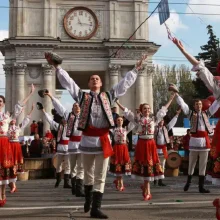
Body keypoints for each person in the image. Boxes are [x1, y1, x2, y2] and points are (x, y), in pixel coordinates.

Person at [45, 51, 147, 219]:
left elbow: (124, 84)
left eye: (97, 79)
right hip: (86, 140)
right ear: (88, 83)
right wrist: (57, 67)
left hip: (103, 140)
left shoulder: (109, 95)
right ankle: (88, 198)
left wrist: (136, 69)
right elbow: (68, 83)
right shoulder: (82, 96)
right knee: (88, 173)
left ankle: (95, 208)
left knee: (101, 174)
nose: (95, 80)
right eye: (92, 79)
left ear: (101, 83)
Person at [172, 37, 220, 193]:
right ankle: (191, 182)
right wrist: (183, 50)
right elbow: (200, 68)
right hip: (196, 140)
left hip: (204, 140)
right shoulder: (218, 87)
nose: (199, 105)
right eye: (197, 104)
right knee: (194, 162)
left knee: (203, 162)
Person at [117, 93, 176, 201]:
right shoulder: (137, 119)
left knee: (150, 165)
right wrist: (117, 102)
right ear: (141, 110)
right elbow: (126, 112)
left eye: (148, 108)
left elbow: (163, 110)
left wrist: (171, 99)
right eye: (145, 108)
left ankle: (147, 190)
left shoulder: (154, 119)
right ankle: (146, 187)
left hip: (151, 144)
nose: (147, 110)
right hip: (142, 144)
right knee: (144, 166)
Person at [43, 91, 84, 197]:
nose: (76, 107)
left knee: (80, 167)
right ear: (72, 108)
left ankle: (78, 188)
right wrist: (50, 95)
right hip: (70, 146)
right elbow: (59, 106)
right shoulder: (68, 116)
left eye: (78, 105)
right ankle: (72, 186)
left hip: (82, 145)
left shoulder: (84, 116)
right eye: (74, 106)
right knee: (72, 167)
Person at [0, 84, 35, 207]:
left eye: (0, 101)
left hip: (4, 144)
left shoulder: (7, 116)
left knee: (4, 168)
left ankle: (3, 194)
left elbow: (19, 106)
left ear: (3, 104)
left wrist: (30, 93)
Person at [36, 102, 71, 189]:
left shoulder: (71, 126)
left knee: (68, 165)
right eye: (63, 119)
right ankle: (58, 179)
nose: (64, 120)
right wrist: (43, 110)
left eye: (65, 119)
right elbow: (49, 120)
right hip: (60, 148)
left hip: (68, 148)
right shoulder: (58, 126)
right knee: (58, 164)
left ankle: (66, 182)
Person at [109, 101, 136, 192]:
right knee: (117, 165)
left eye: (121, 120)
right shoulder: (114, 130)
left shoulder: (125, 129)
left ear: (123, 121)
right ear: (116, 122)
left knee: (123, 166)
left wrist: (134, 114)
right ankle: (119, 182)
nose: (120, 121)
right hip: (116, 148)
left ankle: (120, 182)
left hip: (124, 148)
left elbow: (133, 123)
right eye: (118, 120)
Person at [8, 104, 34, 193]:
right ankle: (12, 185)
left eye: (14, 120)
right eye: (12, 120)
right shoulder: (6, 128)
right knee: (9, 166)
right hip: (9, 146)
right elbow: (15, 114)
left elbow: (25, 121)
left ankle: (13, 185)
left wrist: (30, 111)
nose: (13, 120)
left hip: (16, 146)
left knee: (14, 165)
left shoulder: (18, 128)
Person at [154, 108, 181, 186]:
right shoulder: (155, 129)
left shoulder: (166, 128)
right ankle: (155, 178)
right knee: (156, 164)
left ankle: (160, 180)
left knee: (163, 164)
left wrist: (177, 115)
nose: (161, 122)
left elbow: (172, 123)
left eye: (162, 121)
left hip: (163, 149)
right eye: (160, 121)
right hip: (156, 148)